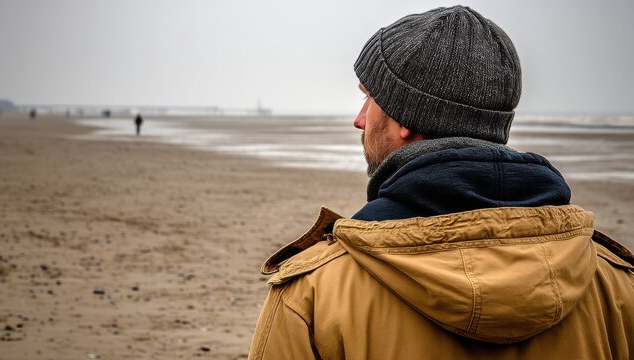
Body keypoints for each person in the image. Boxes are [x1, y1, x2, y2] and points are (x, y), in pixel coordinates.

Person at [248, 6, 633, 360]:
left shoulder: (315, 293)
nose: (359, 119)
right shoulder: (615, 285)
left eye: (369, 98)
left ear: (406, 117)